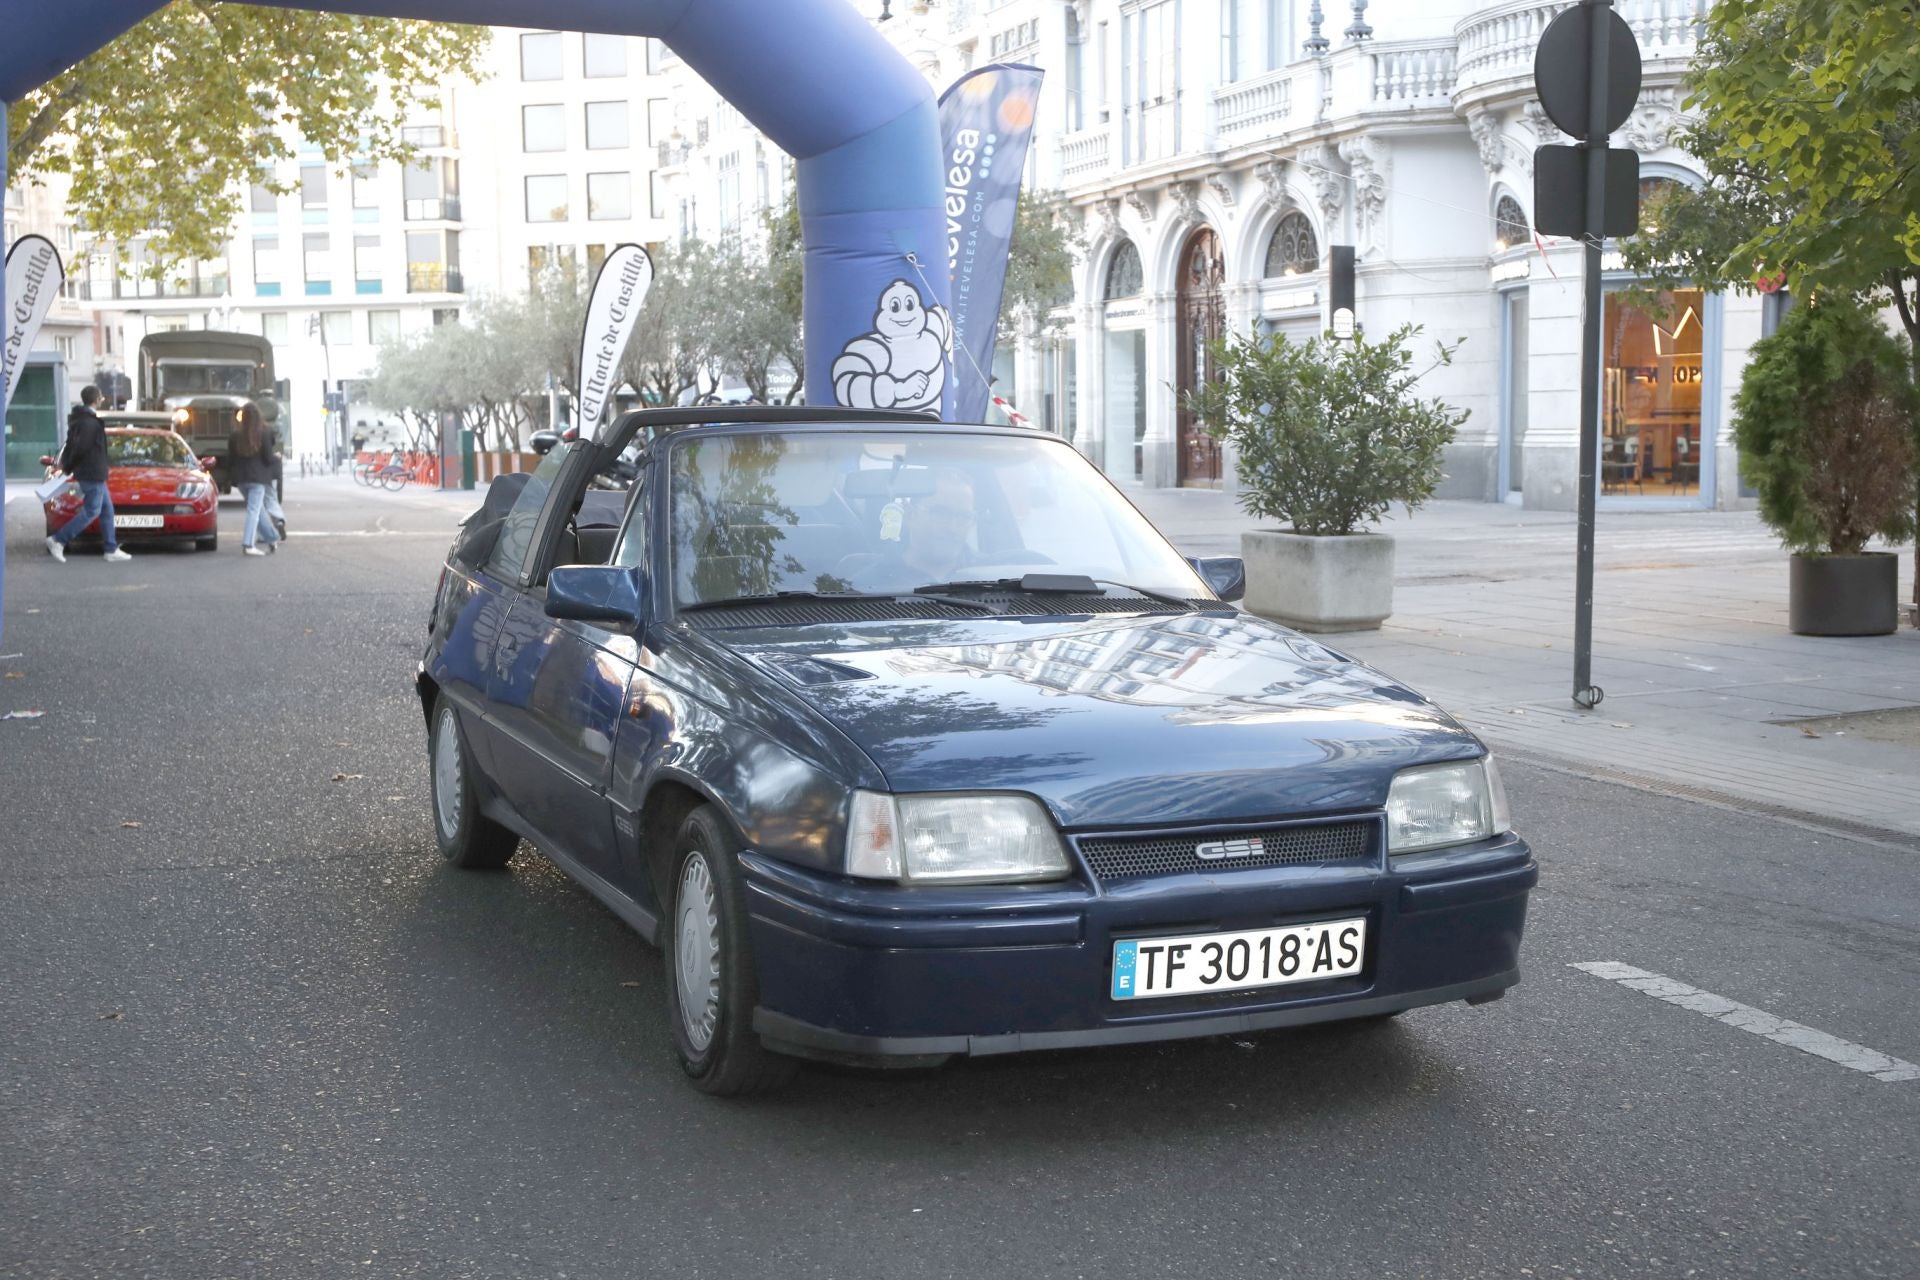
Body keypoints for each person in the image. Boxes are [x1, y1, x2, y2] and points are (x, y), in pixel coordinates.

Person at [43, 385, 133, 564]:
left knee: (107, 510)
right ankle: (58, 540)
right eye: (101, 397)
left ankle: (110, 549)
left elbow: (72, 445)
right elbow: (80, 448)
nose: (102, 400)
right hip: (91, 473)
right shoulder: (89, 422)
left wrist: (68, 466)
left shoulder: (80, 420)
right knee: (92, 510)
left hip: (93, 472)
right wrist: (69, 467)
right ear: (97, 399)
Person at [228, 402, 282, 557]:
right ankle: (248, 544)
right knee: (254, 510)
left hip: (242, 480)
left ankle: (272, 537)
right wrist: (277, 457)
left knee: (258, 509)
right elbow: (268, 458)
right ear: (259, 416)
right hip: (258, 479)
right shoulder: (265, 432)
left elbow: (231, 459)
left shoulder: (235, 435)